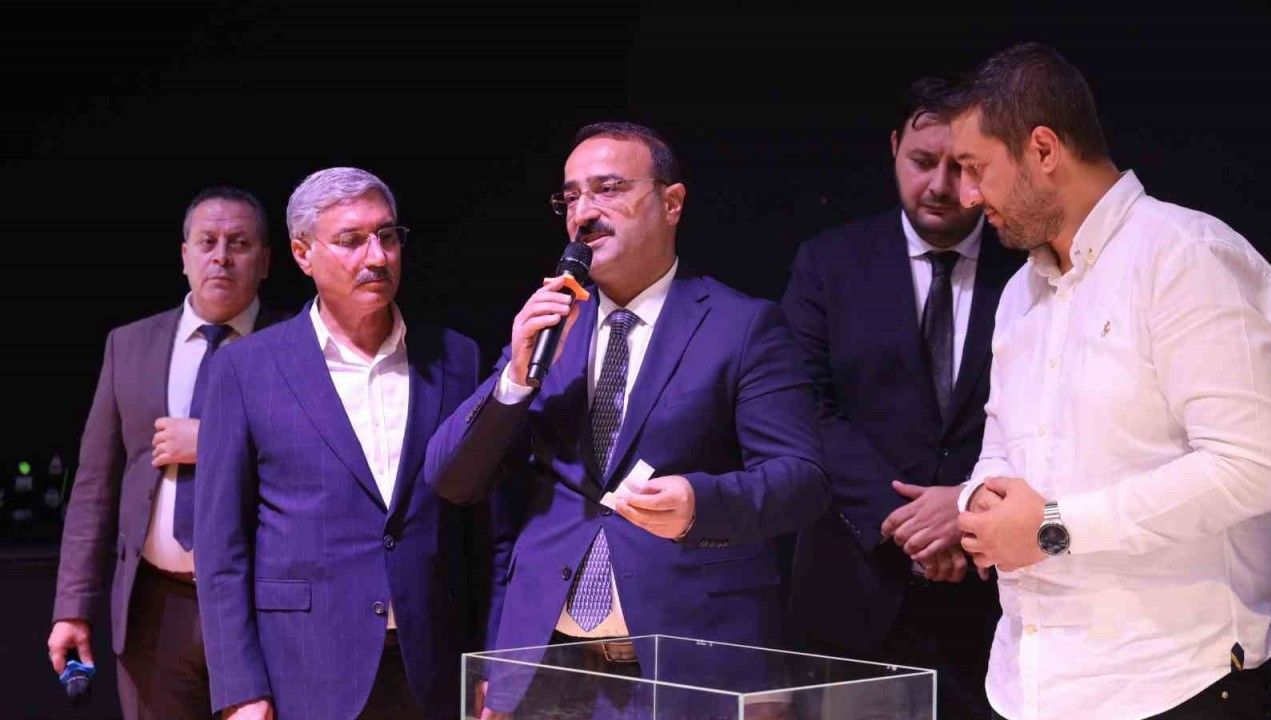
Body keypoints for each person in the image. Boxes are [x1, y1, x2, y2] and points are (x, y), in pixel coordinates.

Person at [426, 121, 829, 718]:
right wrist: (516, 376)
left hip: (687, 665)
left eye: (608, 189)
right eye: (571, 197)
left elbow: (802, 480)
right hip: (547, 665)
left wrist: (701, 502)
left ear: (672, 202)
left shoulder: (741, 326)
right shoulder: (551, 328)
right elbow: (453, 479)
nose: (584, 213)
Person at [948, 43, 1271, 719]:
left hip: (1173, 681)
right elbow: (1000, 448)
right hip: (1026, 684)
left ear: (1044, 150)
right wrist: (979, 497)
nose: (967, 196)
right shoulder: (1018, 295)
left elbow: (1256, 465)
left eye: (977, 169)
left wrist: (1053, 529)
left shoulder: (1186, 256)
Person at [194, 167, 486, 719]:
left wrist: (493, 662)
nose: (377, 256)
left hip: (436, 664)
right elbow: (220, 548)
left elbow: (484, 528)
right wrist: (240, 690)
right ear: (302, 254)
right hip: (306, 665)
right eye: (351, 240)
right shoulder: (245, 369)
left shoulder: (457, 359)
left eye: (387, 236)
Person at [783, 76, 1020, 719]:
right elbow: (805, 408)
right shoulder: (828, 263)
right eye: (921, 161)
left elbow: (1057, 413)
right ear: (894, 149)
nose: (940, 185)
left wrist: (964, 508)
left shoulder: (1030, 269)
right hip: (853, 590)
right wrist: (911, 525)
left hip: (996, 601)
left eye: (961, 166)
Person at [49, 187, 281, 719]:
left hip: (261, 608)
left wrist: (215, 443)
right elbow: (94, 488)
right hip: (154, 609)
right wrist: (72, 608)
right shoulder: (129, 345)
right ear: (184, 255)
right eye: (207, 242)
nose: (221, 256)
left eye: (239, 243)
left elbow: (319, 468)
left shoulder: (297, 346)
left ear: (266, 261)